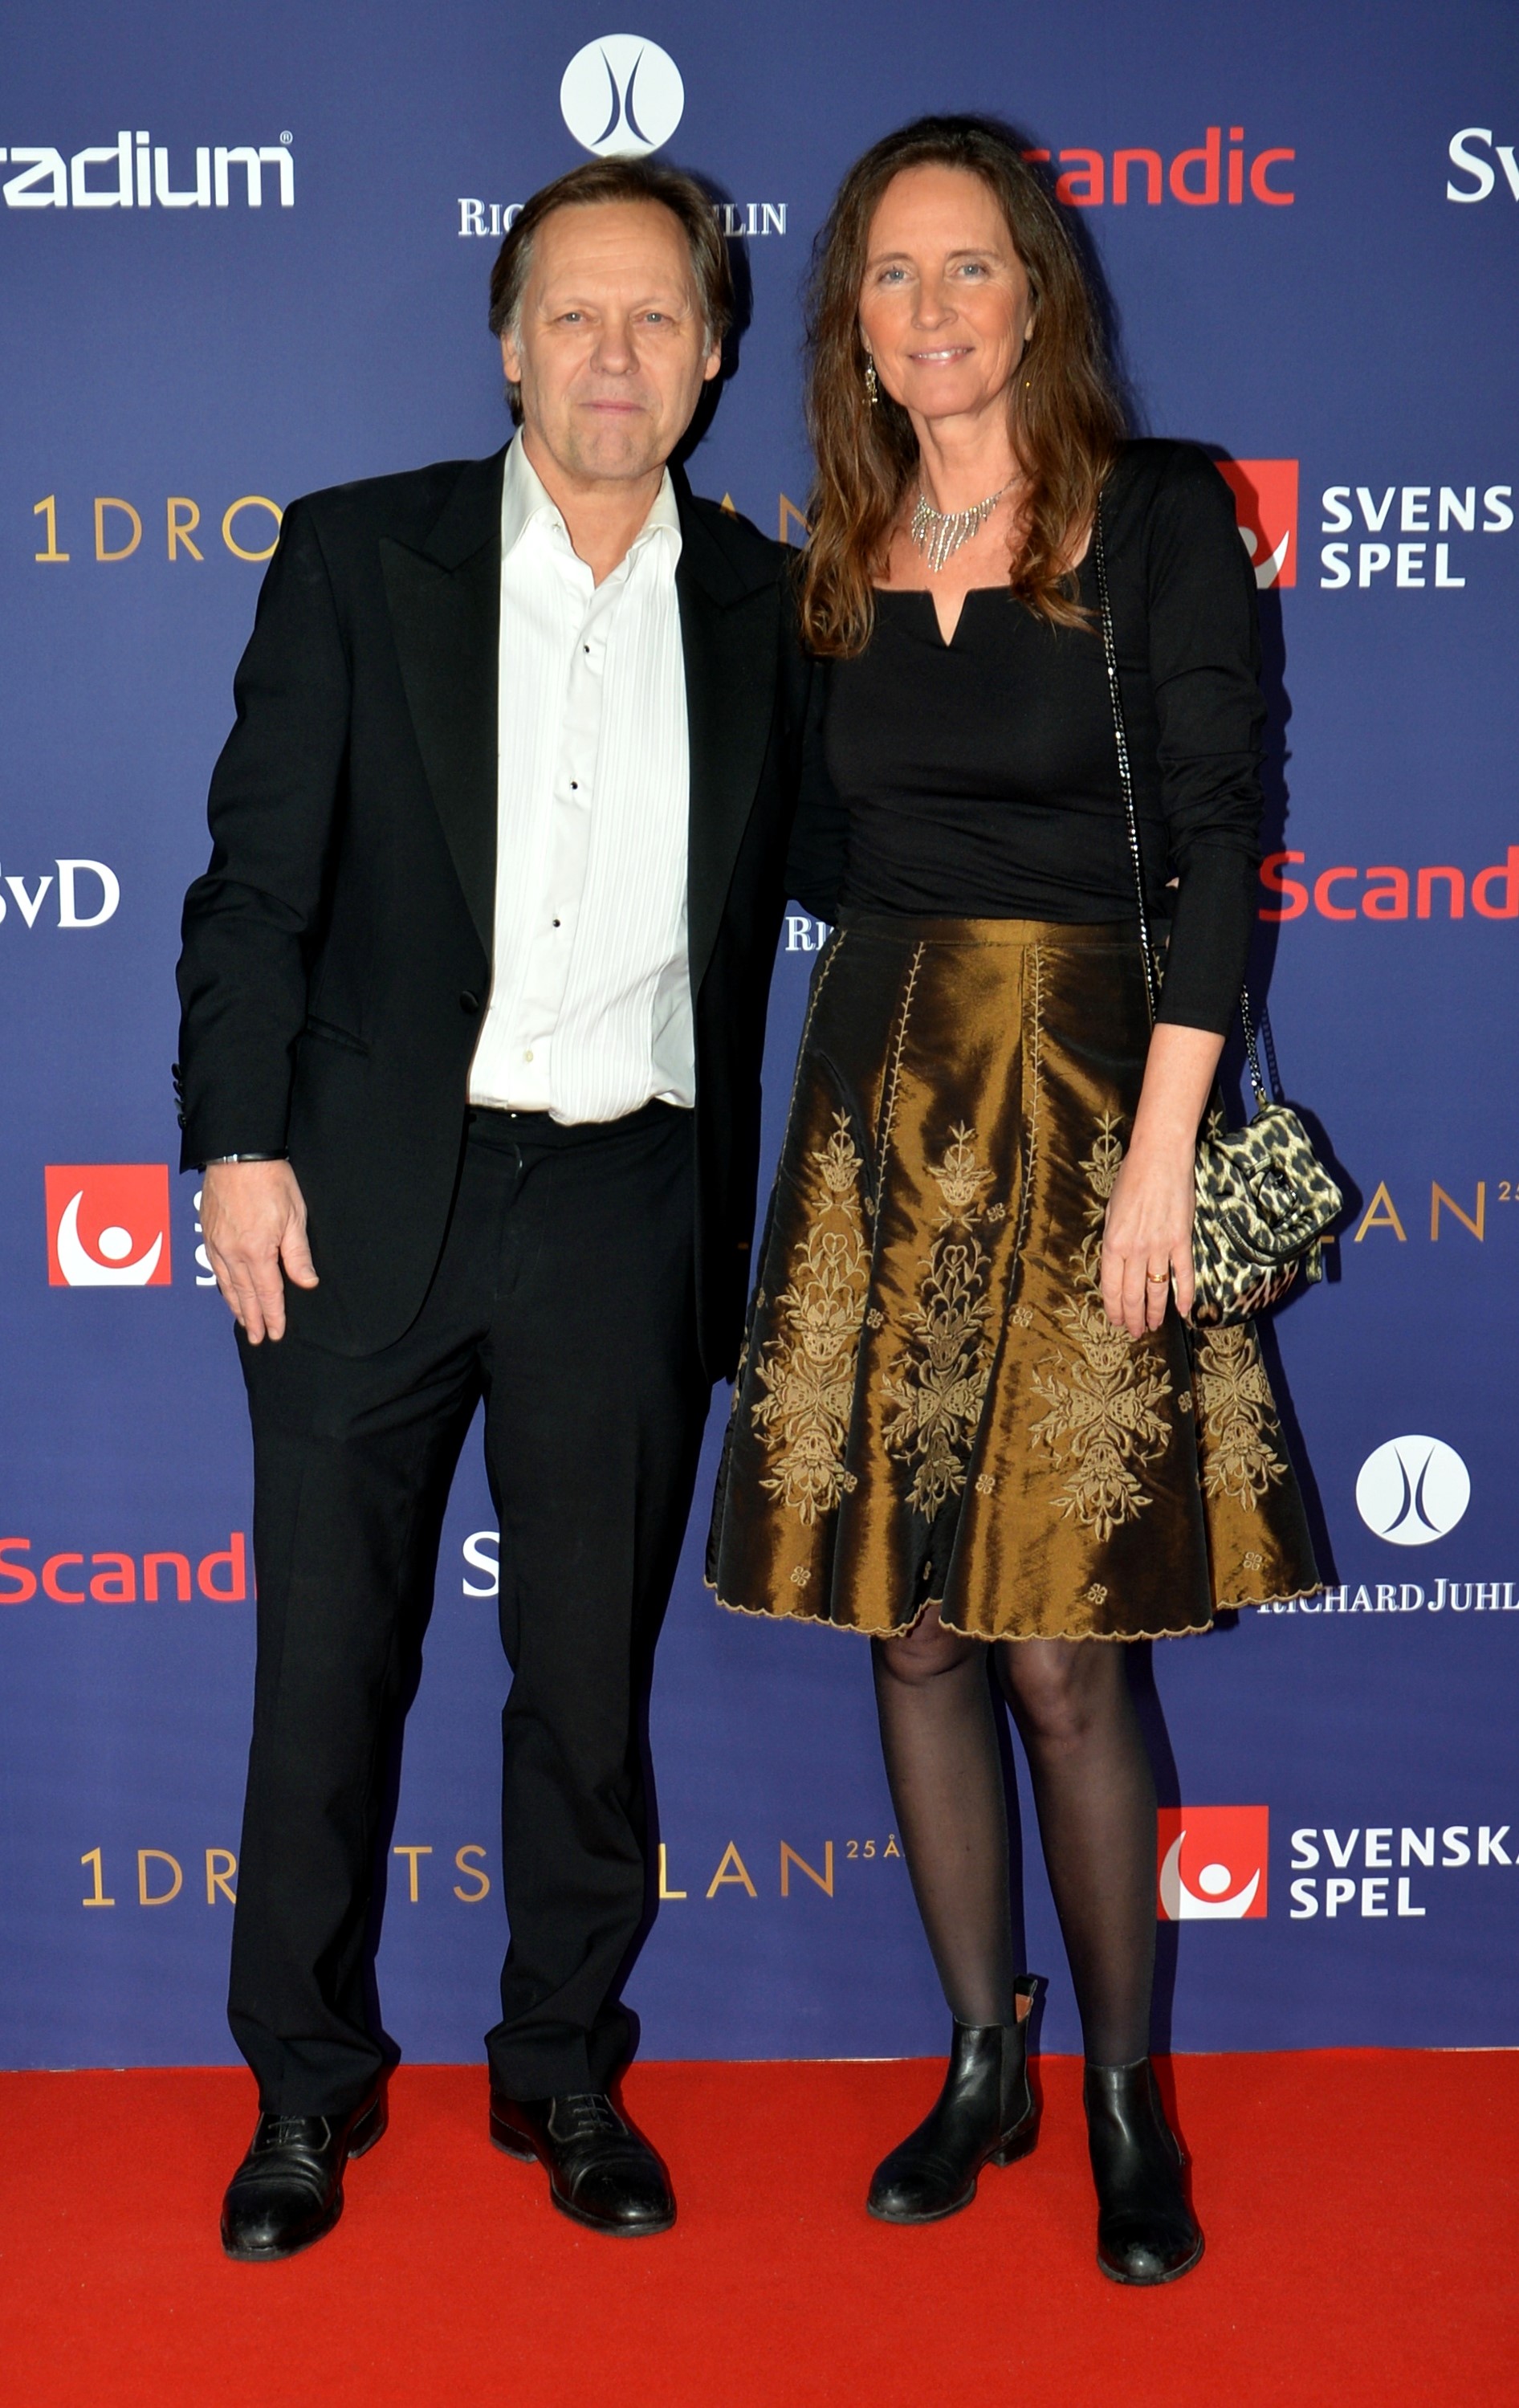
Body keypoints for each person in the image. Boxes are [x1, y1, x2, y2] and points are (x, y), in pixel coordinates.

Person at [177, 155, 807, 2260]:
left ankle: (561, 2070)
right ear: (509, 345)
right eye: (573, 314)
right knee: (321, 1676)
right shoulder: (363, 557)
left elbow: (868, 868)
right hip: (357, 1201)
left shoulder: (771, 610)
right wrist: (234, 1146)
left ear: (709, 358)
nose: (614, 353)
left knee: (586, 1691)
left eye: (657, 316)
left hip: (626, 1203)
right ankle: (301, 2088)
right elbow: (250, 891)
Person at [708, 116, 1317, 2286]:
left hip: (1091, 1113)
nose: (932, 308)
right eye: (891, 275)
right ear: (852, 327)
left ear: (1037, 291)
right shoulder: (828, 560)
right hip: (881, 1113)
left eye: (968, 265)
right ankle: (984, 2055)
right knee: (917, 1622)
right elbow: (808, 854)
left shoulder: (1153, 514)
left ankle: (1128, 2098)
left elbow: (1224, 840)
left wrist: (1159, 1154)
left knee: (1062, 1649)